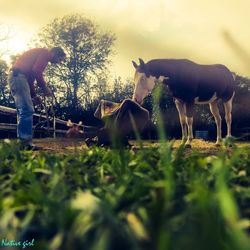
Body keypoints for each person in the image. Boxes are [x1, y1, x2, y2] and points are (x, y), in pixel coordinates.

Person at [8, 47, 66, 150]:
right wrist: (44, 88)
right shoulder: (45, 53)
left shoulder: (37, 56)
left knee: (23, 111)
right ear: (56, 53)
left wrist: (34, 96)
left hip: (17, 77)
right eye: (60, 59)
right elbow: (36, 71)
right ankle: (25, 144)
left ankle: (23, 142)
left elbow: (30, 79)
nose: (58, 63)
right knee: (27, 110)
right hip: (18, 77)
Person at [84, 98, 151, 147]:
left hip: (119, 116)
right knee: (111, 128)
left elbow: (126, 103)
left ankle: (98, 141)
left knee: (112, 129)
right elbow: (126, 103)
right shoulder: (127, 110)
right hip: (117, 116)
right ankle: (98, 141)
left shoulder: (138, 114)